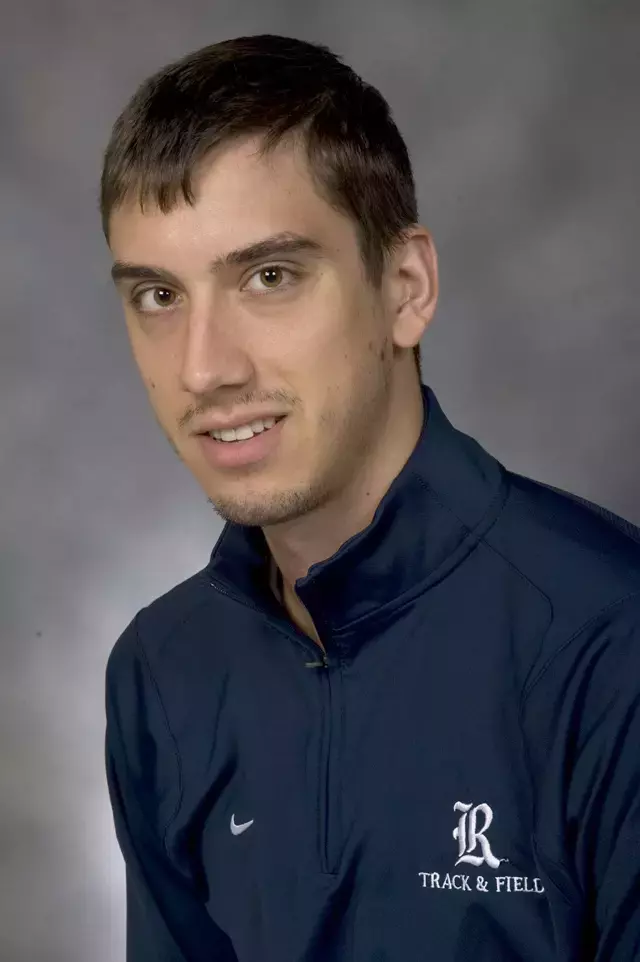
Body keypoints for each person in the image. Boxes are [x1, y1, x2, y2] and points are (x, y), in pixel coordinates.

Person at [101, 34, 640, 962]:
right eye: (158, 295)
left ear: (405, 287)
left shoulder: (612, 638)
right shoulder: (162, 671)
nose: (203, 369)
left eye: (269, 277)